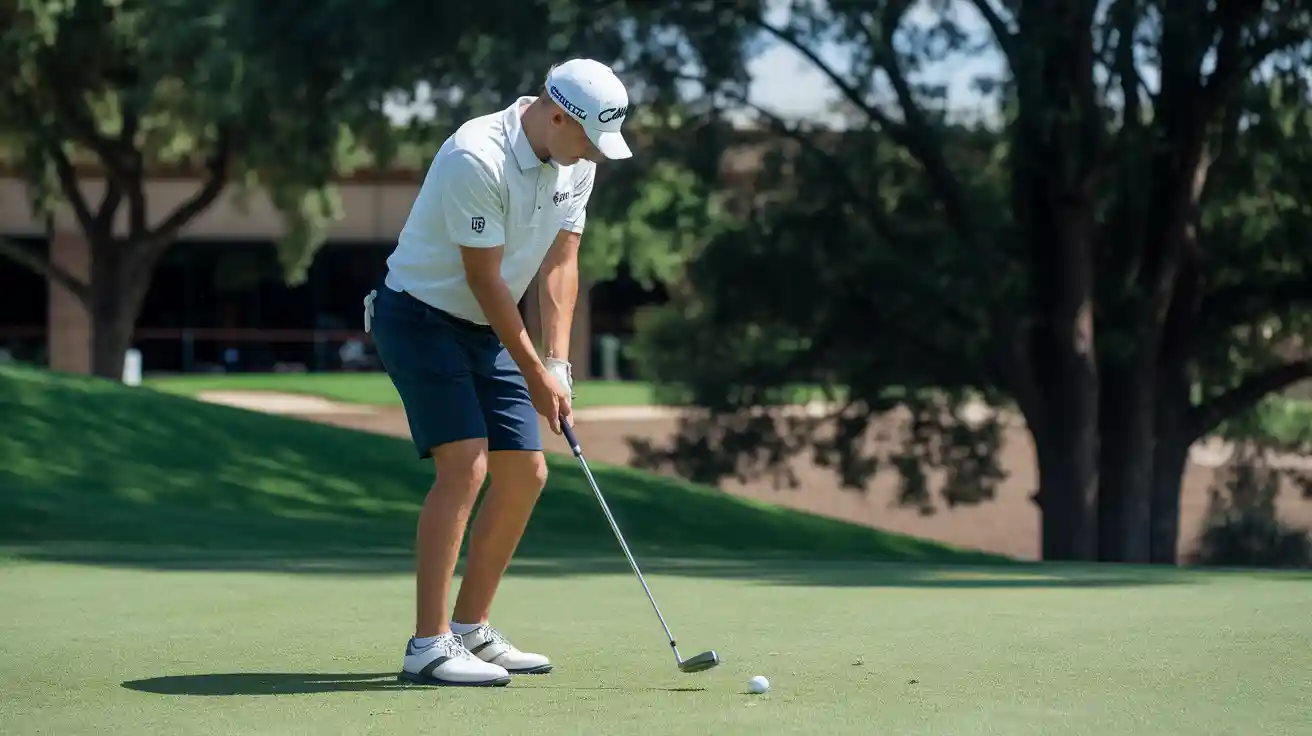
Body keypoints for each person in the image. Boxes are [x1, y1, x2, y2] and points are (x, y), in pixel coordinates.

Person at [363, 58, 632, 687]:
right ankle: (426, 646)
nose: (593, 153)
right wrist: (532, 370)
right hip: (420, 316)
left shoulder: (576, 163)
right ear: (557, 113)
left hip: (487, 326)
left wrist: (558, 365)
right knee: (466, 463)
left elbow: (561, 265)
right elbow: (485, 280)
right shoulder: (474, 155)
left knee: (526, 472)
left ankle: (469, 630)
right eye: (588, 137)